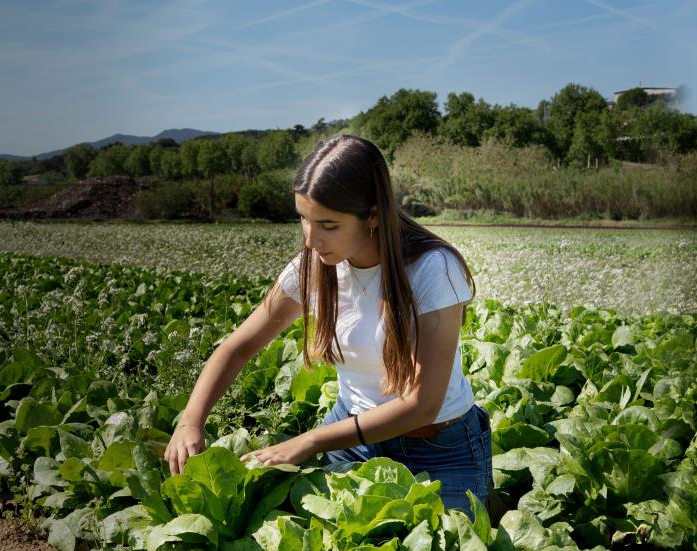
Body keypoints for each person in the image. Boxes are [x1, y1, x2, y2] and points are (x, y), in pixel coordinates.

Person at [163, 134, 492, 517]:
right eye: (303, 218)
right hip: (348, 434)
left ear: (372, 215)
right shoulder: (312, 267)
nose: (311, 238)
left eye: (328, 224)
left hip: (438, 451)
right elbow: (237, 347)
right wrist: (190, 421)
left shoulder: (432, 268)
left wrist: (310, 441)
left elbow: (421, 404)